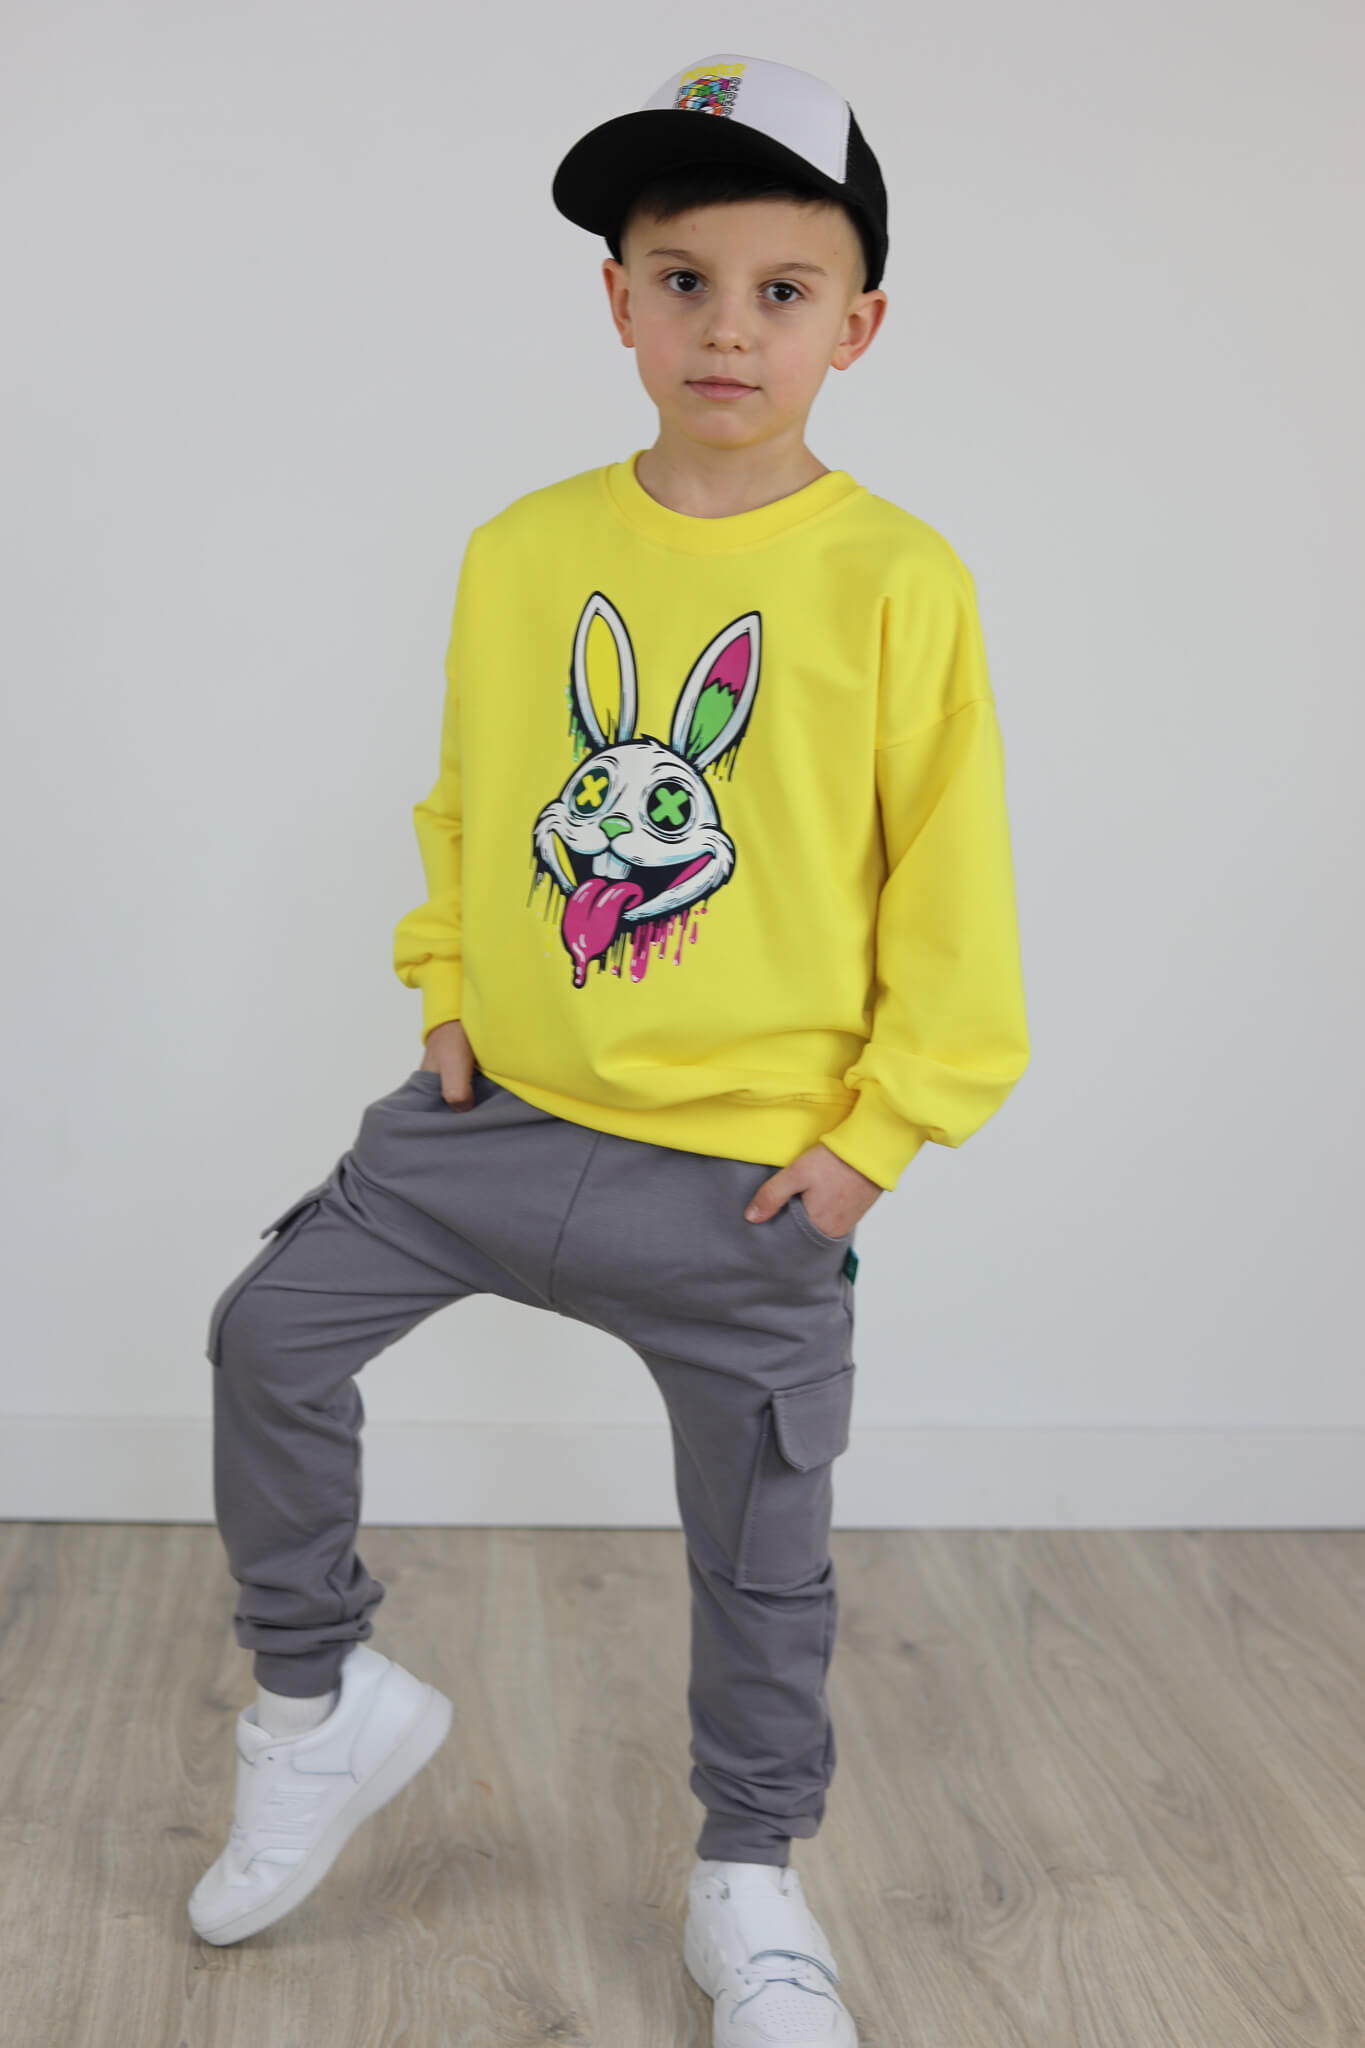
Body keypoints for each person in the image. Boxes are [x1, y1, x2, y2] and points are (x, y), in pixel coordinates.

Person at [188, 49, 1029, 2046]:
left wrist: (874, 1139)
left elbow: (952, 883)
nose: (726, 328)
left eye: (779, 289)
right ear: (617, 301)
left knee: (759, 1551)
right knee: (267, 1335)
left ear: (856, 324)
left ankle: (748, 1877)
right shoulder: (523, 547)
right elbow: (474, 796)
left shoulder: (893, 579)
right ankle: (317, 1700)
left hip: (744, 1172)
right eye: (681, 280)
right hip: (488, 1120)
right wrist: (445, 990)